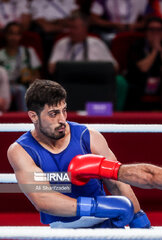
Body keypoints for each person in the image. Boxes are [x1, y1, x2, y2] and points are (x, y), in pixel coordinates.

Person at [7, 79, 151, 228]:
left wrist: (137, 217)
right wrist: (96, 206)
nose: (62, 119)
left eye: (64, 110)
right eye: (53, 114)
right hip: (62, 230)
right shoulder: (22, 151)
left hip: (103, 223)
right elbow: (43, 198)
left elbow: (116, 183)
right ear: (33, 116)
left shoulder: (88, 137)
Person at [126, 16, 162, 110]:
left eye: (159, 30)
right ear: (146, 32)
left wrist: (161, 51)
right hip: (139, 83)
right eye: (152, 30)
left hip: (160, 84)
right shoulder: (137, 45)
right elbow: (143, 68)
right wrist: (155, 50)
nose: (155, 33)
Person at [48, 12, 118, 74]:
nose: (70, 31)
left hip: (93, 82)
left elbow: (115, 67)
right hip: (67, 82)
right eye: (69, 27)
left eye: (74, 28)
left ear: (85, 28)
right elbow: (51, 69)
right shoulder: (61, 43)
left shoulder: (97, 43)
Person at [0, 22, 42, 111]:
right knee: (20, 89)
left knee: (22, 89)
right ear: (5, 35)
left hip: (24, 85)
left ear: (21, 36)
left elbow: (37, 75)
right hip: (5, 86)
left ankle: (25, 117)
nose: (13, 37)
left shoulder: (28, 52)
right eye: (11, 33)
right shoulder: (1, 54)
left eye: (17, 34)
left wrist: (32, 80)